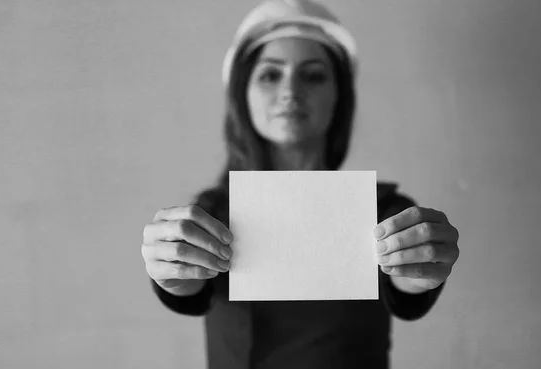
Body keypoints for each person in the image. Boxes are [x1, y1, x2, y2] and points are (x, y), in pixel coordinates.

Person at [141, 1, 460, 368]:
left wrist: (422, 268)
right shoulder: (211, 212)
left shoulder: (385, 210)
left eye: (313, 76)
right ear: (243, 94)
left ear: (339, 96)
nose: (290, 91)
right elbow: (188, 291)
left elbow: (407, 289)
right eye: (270, 75)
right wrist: (171, 271)